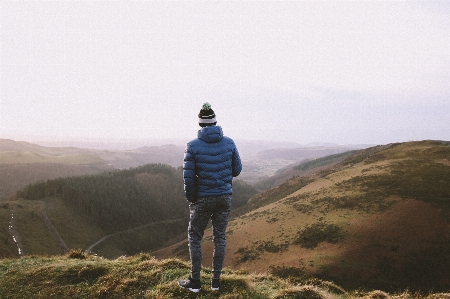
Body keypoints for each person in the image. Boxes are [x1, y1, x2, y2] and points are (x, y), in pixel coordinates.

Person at [178, 102, 242, 293]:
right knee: (219, 237)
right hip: (224, 197)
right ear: (215, 122)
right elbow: (237, 170)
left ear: (200, 124)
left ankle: (195, 282)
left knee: (195, 236)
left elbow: (188, 178)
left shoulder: (192, 145)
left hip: (203, 199)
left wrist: (191, 198)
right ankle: (215, 283)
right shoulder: (229, 142)